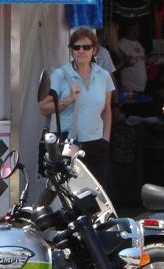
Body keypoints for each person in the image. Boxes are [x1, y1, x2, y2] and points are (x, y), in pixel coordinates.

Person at [39, 28, 115, 185]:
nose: (81, 51)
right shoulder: (60, 75)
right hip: (69, 143)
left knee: (96, 192)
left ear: (94, 50)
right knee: (70, 192)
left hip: (96, 144)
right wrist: (69, 99)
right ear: (71, 50)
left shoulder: (103, 76)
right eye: (76, 47)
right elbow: (44, 108)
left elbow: (107, 109)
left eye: (86, 47)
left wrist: (106, 138)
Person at [117, 22, 147, 94]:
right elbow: (116, 66)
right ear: (127, 30)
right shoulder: (121, 43)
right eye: (133, 29)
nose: (136, 32)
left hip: (141, 87)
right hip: (128, 87)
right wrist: (125, 63)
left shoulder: (138, 43)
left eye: (137, 29)